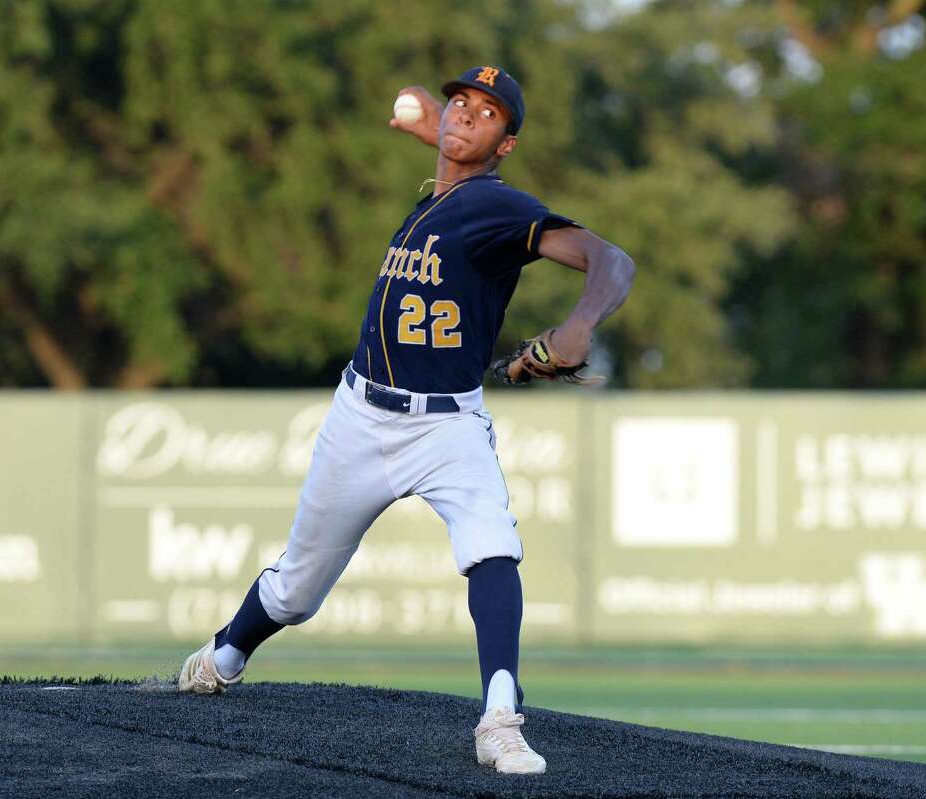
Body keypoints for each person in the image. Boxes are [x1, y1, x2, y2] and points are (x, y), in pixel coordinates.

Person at [178, 65, 635, 776]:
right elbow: (452, 151)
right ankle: (226, 652)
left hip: (446, 426)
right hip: (360, 413)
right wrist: (439, 132)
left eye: (487, 114)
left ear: (507, 145)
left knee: (491, 546)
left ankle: (500, 719)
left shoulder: (498, 207)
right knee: (296, 589)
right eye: (460, 102)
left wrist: (580, 325)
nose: (466, 114)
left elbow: (613, 259)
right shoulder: (442, 194)